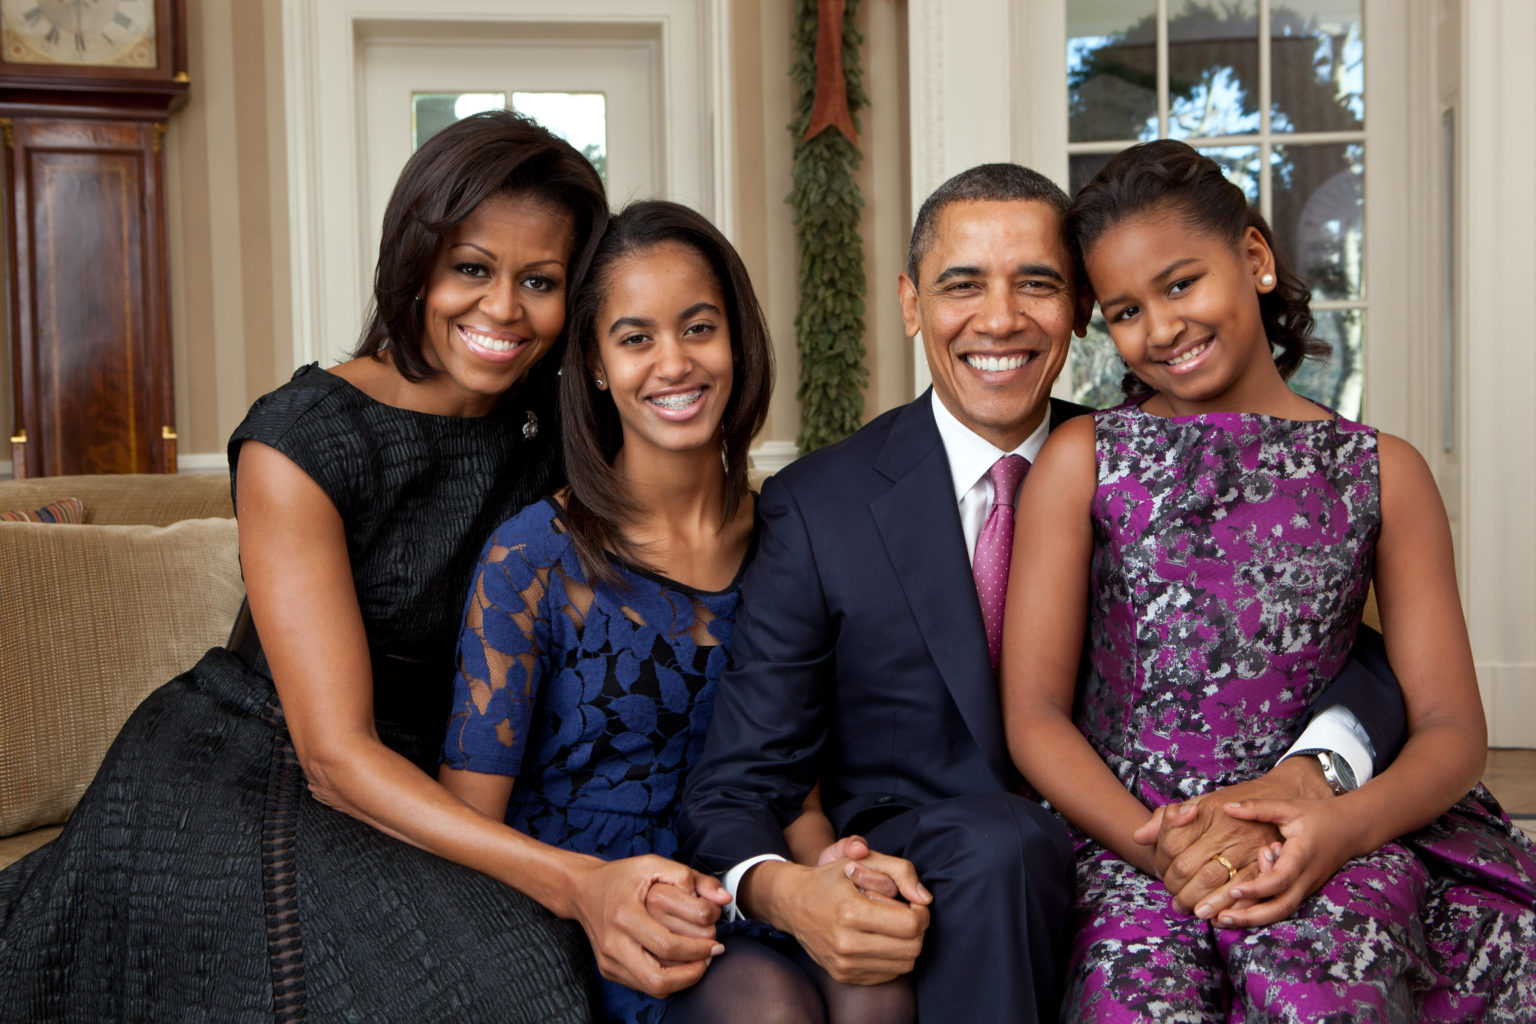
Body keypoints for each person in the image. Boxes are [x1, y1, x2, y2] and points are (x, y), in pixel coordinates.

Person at [675, 162, 1410, 1023]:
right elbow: (735, 785)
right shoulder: (818, 506)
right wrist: (792, 890)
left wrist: (1321, 765)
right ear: (912, 304)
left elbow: (1329, 640)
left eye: (1037, 284)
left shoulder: (1150, 458)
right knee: (1003, 843)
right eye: (963, 286)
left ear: (1080, 312)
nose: (1000, 318)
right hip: (948, 863)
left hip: (1159, 836)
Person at [0, 111, 612, 1022]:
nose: (503, 310)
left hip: (436, 775)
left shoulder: (551, 434)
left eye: (541, 281)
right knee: (507, 982)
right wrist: (574, 882)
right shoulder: (304, 438)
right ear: (416, 262)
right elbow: (334, 754)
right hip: (256, 769)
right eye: (471, 269)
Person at [1003, 138, 1536, 1021]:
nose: (1162, 329)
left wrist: (1337, 830)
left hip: (1332, 835)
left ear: (1254, 258)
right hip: (1135, 838)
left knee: (1323, 984)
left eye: (1181, 285)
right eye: (1127, 310)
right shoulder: (1083, 459)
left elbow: (1450, 728)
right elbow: (1033, 716)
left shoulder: (1383, 471)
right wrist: (1167, 851)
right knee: (1137, 996)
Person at [439, 199, 914, 1024]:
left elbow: (792, 786)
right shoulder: (533, 559)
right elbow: (468, 823)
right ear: (593, 362)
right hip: (598, 913)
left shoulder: (792, 538)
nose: (674, 363)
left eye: (698, 328)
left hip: (747, 878)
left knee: (875, 989)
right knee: (768, 1006)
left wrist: (834, 872)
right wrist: (586, 896)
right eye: (636, 338)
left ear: (737, 339)